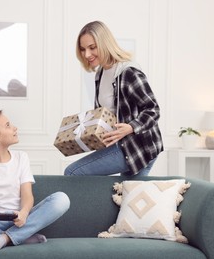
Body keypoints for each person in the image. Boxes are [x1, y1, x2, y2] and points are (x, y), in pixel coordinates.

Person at [0, 110, 70, 252]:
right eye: (7, 125)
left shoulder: (21, 158)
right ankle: (22, 237)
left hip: (20, 220)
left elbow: (27, 196)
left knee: (61, 199)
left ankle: (6, 239)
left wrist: (23, 213)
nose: (14, 127)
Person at [64, 21, 163, 177]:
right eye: (83, 49)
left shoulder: (128, 72)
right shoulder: (101, 73)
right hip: (122, 145)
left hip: (137, 147)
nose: (87, 54)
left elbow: (153, 109)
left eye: (92, 47)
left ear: (104, 43)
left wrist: (131, 127)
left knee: (72, 173)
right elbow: (107, 113)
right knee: (128, 198)